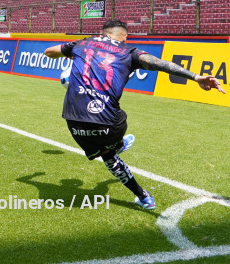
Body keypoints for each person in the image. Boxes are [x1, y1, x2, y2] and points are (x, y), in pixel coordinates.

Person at [44, 19, 225, 210]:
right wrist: (196, 77)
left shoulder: (82, 43)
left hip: (73, 122)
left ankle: (143, 196)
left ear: (103, 32)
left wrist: (74, 55)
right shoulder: (129, 51)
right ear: (125, 36)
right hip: (109, 124)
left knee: (107, 155)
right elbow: (159, 64)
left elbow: (49, 52)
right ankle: (119, 144)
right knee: (115, 126)